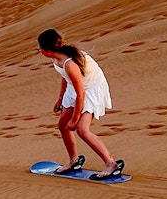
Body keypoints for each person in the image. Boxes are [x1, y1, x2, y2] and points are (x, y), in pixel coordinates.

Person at [37, 28, 124, 179]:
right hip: (75, 88)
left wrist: (75, 119)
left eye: (40, 48)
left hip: (91, 89)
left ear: (47, 50)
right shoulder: (57, 58)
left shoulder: (70, 63)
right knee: (63, 126)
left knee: (82, 130)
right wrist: (60, 98)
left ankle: (111, 164)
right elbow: (65, 77)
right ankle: (74, 161)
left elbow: (81, 93)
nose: (39, 51)